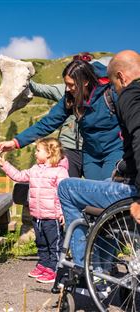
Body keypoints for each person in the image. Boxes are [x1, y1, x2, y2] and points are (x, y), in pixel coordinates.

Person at [57, 50, 140, 269]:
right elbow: (49, 120)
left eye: (116, 84)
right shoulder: (72, 100)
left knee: (66, 188)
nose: (116, 89)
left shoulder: (129, 95)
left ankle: (86, 267)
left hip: (131, 189)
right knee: (101, 198)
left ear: (121, 77)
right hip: (106, 164)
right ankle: (102, 266)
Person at [0, 59, 123, 181]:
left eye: (71, 85)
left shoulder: (111, 93)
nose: (68, 89)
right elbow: (47, 123)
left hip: (115, 150)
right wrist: (16, 142)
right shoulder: (71, 98)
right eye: (66, 84)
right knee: (94, 190)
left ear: (85, 82)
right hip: (91, 154)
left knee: (109, 188)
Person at [0, 137, 69, 283]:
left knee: (54, 244)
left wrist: (62, 212)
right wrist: (4, 165)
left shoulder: (60, 171)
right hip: (37, 215)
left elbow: (64, 194)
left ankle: (54, 268)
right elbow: (19, 176)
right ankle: (43, 264)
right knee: (41, 242)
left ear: (49, 153)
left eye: (38, 150)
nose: (35, 153)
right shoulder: (35, 169)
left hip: (52, 216)